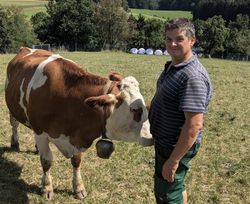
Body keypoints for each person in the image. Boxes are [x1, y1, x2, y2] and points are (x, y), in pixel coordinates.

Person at [149, 17, 212, 204]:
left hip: (174, 146)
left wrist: (174, 160)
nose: (172, 44)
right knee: (176, 186)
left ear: (192, 41)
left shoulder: (192, 77)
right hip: (166, 143)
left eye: (179, 39)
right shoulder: (174, 66)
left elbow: (194, 125)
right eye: (168, 39)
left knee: (167, 194)